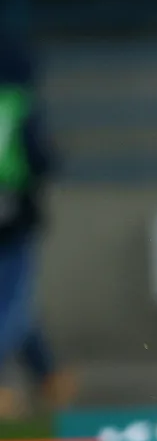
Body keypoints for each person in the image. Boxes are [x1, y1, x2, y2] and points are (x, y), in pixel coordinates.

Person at [0, 37, 75, 418]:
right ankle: (48, 377)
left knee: (14, 302)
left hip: (14, 220)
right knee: (13, 302)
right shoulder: (17, 104)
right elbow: (41, 157)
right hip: (14, 219)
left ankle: (46, 377)